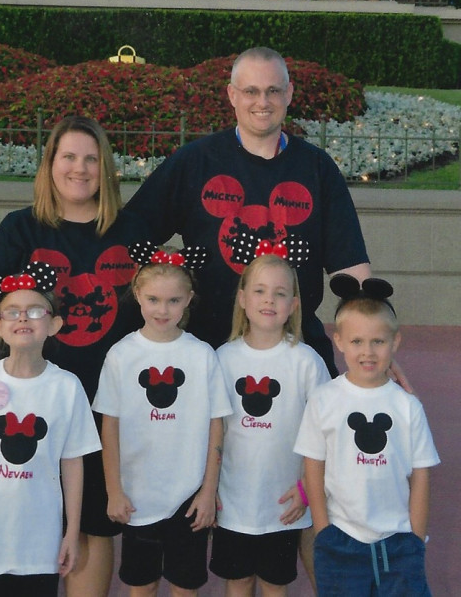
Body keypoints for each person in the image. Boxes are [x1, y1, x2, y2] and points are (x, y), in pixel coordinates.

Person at [0, 115, 150, 597]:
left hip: (104, 402)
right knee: (24, 503)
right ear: (50, 164)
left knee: (92, 522)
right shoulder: (19, 229)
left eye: (90, 158)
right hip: (31, 397)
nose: (79, 169)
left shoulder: (132, 231)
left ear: (105, 168)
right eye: (69, 157)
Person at [125, 46, 373, 377]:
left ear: (289, 94)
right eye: (251, 91)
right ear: (232, 95)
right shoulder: (195, 162)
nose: (262, 102)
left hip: (293, 349)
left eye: (273, 91)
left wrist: (374, 336)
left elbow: (351, 267)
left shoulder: (316, 168)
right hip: (209, 350)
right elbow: (128, 235)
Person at [0, 262, 101, 595]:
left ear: (54, 324)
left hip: (41, 544)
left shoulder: (67, 387)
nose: (23, 318)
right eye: (12, 312)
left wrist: (71, 533)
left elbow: (72, 464)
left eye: (35, 310)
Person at [93, 243, 232, 596]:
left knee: (185, 586)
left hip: (188, 495)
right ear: (138, 294)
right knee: (141, 585)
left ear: (188, 299)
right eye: (153, 299)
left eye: (173, 300)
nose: (162, 309)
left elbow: (218, 424)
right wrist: (114, 490)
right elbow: (110, 427)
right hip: (137, 495)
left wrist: (208, 490)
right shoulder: (122, 355)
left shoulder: (201, 355)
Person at [294, 275, 440, 596]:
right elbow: (313, 468)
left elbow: (421, 476)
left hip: (400, 542)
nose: (368, 352)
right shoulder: (324, 399)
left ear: (395, 342)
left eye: (378, 341)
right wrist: (323, 531)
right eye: (357, 341)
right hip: (340, 541)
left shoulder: (407, 406)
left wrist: (415, 537)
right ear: (339, 341)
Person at [210, 253, 330, 597]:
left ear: (293, 305)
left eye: (279, 293)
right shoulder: (222, 359)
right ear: (243, 299)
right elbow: (213, 432)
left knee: (275, 584)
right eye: (260, 290)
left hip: (285, 502)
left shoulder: (306, 361)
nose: (269, 300)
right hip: (233, 501)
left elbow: (325, 432)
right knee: (238, 582)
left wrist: (308, 485)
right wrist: (209, 487)